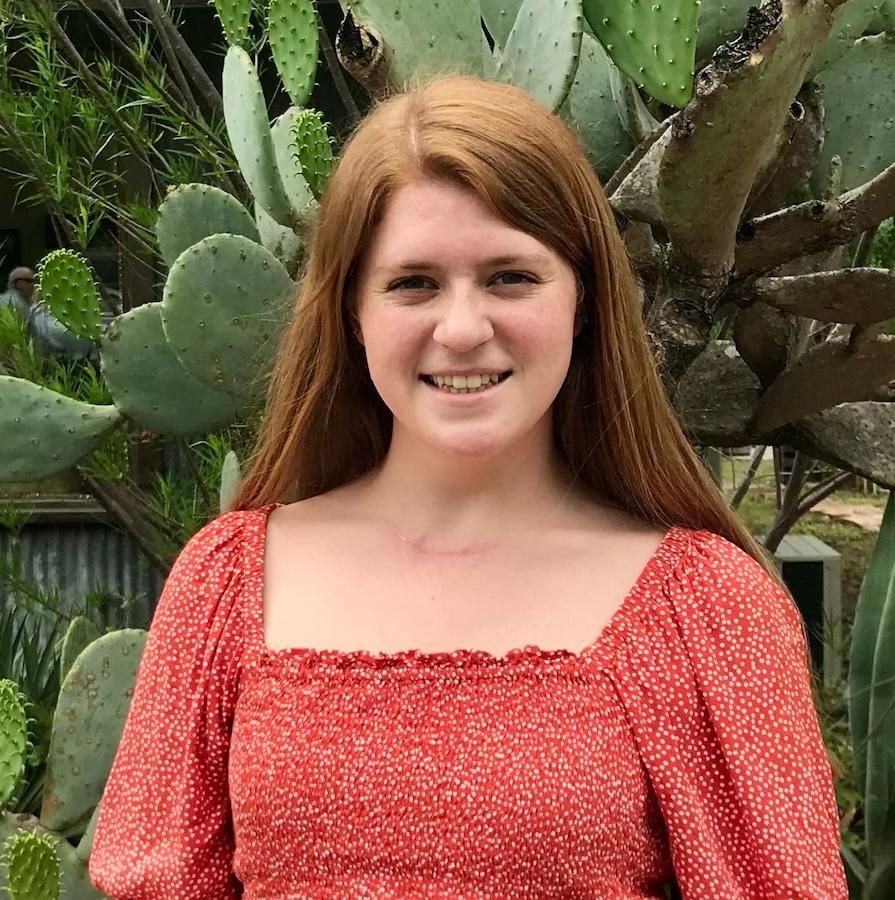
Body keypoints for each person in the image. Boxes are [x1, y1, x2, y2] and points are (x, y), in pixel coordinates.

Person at [88, 74, 848, 899]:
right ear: (351, 310)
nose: (461, 329)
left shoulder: (705, 612)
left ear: (584, 299)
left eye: (510, 278)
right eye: (413, 282)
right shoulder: (226, 584)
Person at [0, 264, 96, 359]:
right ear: (18, 283)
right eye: (30, 281)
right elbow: (33, 333)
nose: (34, 285)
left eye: (35, 281)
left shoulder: (21, 301)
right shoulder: (13, 302)